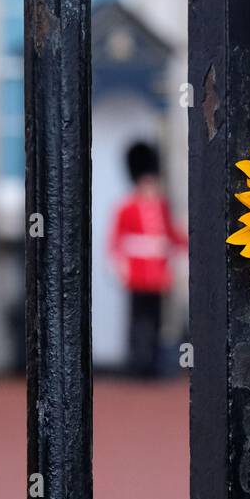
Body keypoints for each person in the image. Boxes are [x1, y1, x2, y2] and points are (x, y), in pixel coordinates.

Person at [108, 141, 186, 378]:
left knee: (155, 320)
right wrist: (119, 266)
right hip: (137, 270)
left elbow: (171, 235)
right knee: (136, 319)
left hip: (158, 271)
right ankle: (136, 362)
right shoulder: (126, 207)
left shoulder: (162, 206)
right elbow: (117, 240)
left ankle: (151, 362)